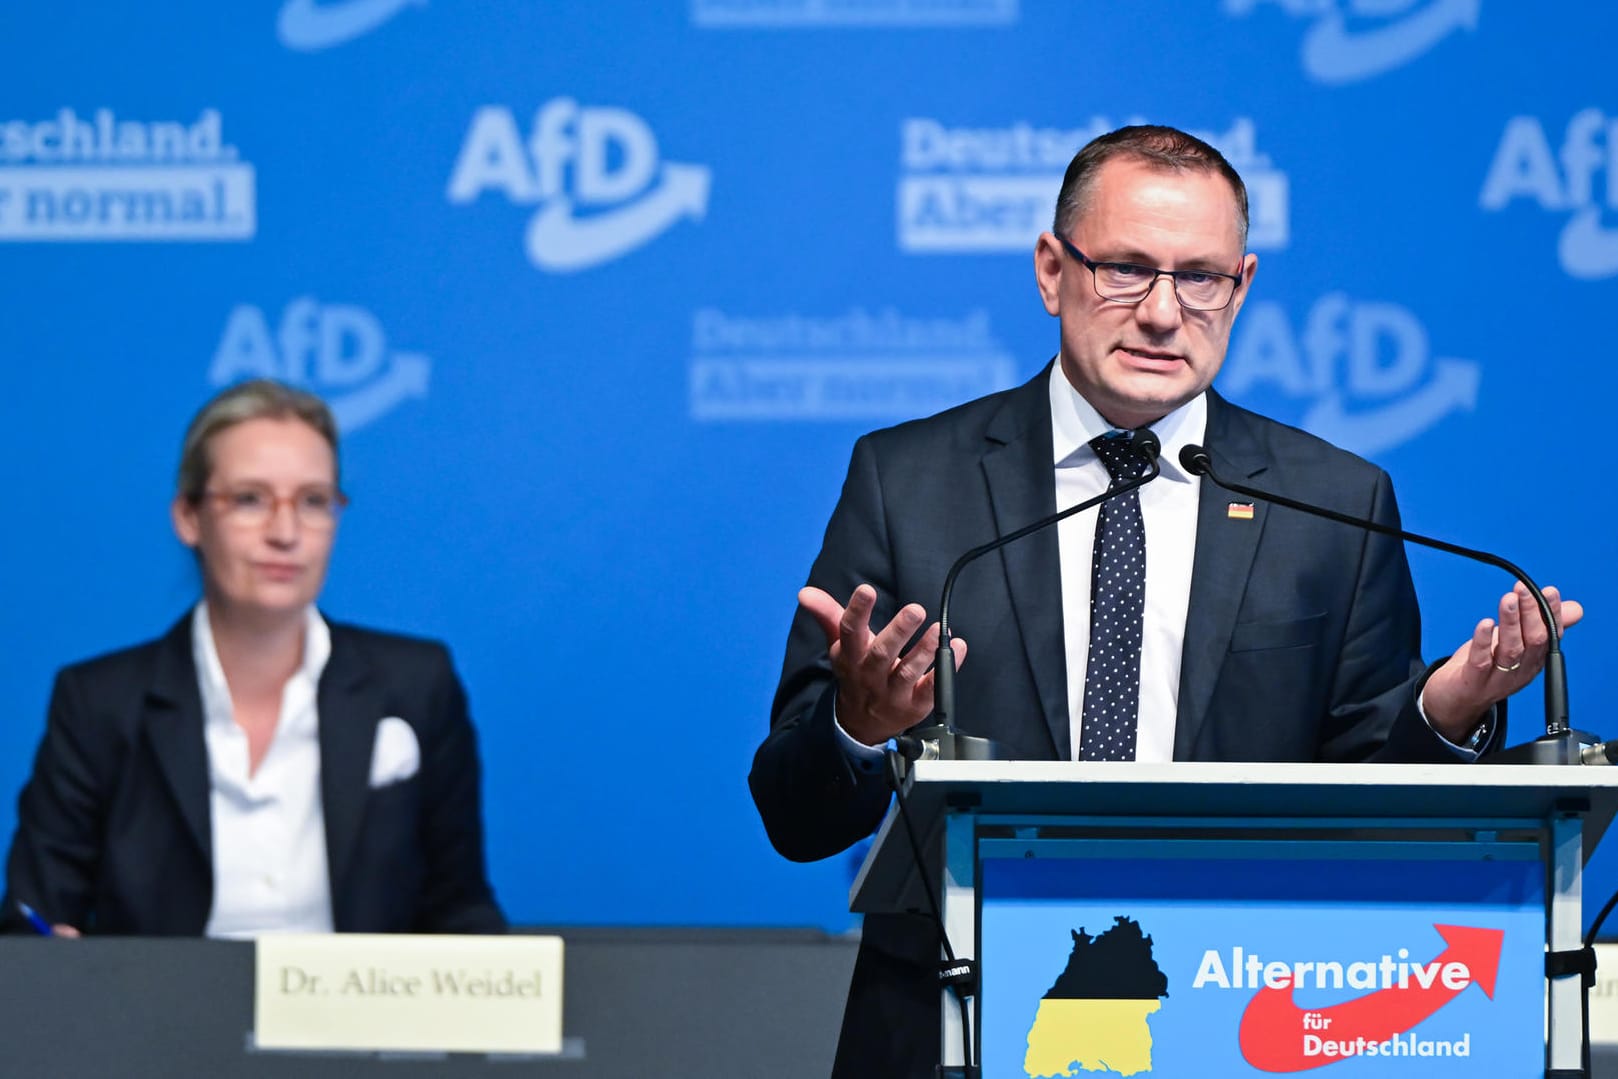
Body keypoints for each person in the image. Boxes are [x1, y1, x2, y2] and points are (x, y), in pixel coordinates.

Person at [748, 125, 1580, 1077]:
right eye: (1126, 270)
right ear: (1052, 271)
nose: (1161, 312)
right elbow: (794, 819)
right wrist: (857, 724)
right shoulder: (908, 480)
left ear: (1244, 287)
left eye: (1200, 277)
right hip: (954, 1033)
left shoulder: (1336, 501)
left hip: (1239, 1023)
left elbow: (1372, 809)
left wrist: (1447, 710)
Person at [3, 379, 505, 937]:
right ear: (190, 518)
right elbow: (37, 919)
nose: (285, 533)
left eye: (314, 502)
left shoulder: (415, 685)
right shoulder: (99, 703)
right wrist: (54, 960)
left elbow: (461, 910)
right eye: (250, 500)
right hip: (159, 1021)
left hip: (361, 1022)